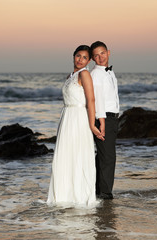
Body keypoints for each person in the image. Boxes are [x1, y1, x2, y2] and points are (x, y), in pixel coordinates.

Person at [47, 45, 104, 207]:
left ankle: (79, 196)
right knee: (65, 156)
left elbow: (91, 100)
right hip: (67, 117)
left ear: (89, 61)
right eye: (78, 56)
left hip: (79, 118)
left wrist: (92, 124)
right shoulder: (70, 76)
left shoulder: (84, 74)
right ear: (73, 56)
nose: (80, 60)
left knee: (78, 155)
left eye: (85, 57)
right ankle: (64, 196)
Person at [90, 41, 119, 200]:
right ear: (93, 59)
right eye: (96, 55)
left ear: (108, 52)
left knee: (102, 157)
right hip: (104, 118)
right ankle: (105, 194)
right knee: (108, 157)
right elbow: (97, 99)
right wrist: (101, 121)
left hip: (112, 118)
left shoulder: (109, 72)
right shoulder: (96, 74)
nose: (100, 57)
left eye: (102, 53)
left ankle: (97, 191)